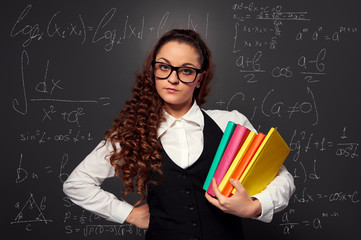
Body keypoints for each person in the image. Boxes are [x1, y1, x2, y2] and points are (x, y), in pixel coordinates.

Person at [63, 29, 295, 240]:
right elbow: (77, 184)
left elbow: (282, 178)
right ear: (153, 71)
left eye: (185, 70)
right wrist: (130, 214)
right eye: (164, 67)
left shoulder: (230, 123)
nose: (173, 78)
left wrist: (254, 207)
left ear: (199, 79)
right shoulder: (133, 131)